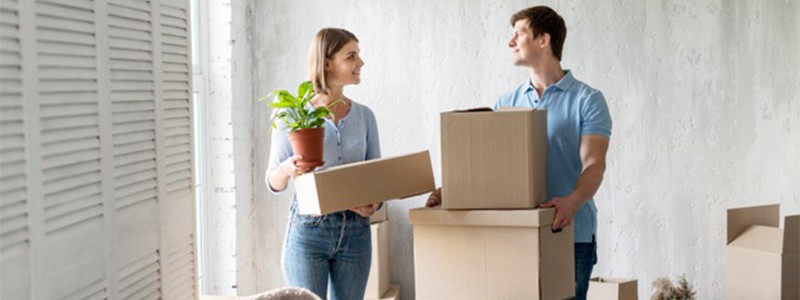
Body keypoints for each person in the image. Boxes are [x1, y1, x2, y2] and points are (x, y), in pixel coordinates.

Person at [426, 6, 612, 300]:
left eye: (519, 34)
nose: (510, 41)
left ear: (543, 40)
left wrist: (572, 202)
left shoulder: (587, 100)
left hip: (568, 233)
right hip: (516, 232)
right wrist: (448, 189)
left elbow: (594, 163)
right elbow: (490, 165)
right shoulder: (507, 102)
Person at [267, 28, 381, 300]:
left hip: (356, 231)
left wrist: (373, 205)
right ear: (327, 63)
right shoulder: (293, 114)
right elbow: (272, 181)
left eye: (358, 55)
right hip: (309, 230)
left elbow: (377, 179)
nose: (361, 63)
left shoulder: (365, 117)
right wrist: (288, 168)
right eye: (351, 56)